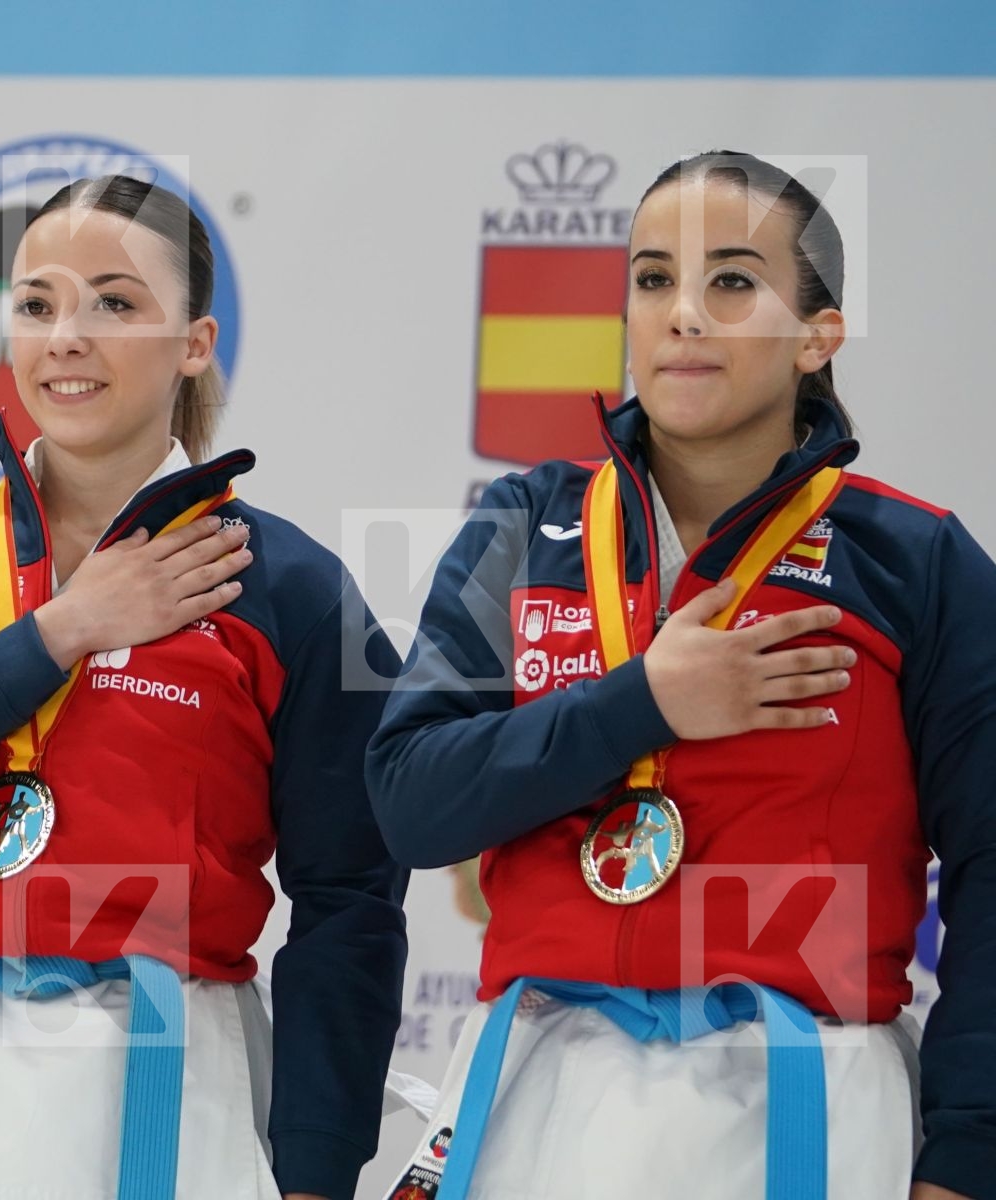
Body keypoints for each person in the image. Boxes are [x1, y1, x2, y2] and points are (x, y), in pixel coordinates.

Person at [367, 151, 993, 1200]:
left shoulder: (915, 560)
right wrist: (641, 704)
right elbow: (412, 807)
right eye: (654, 279)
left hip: (806, 1105)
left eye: (733, 281)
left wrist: (969, 1156)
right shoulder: (520, 526)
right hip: (537, 1100)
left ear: (817, 333)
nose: (683, 314)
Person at [0, 174, 408, 1200]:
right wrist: (64, 630)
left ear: (195, 343)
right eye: (37, 304)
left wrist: (315, 1171)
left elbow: (350, 901)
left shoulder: (283, 584)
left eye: (116, 303)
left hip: (174, 1080)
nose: (66, 336)